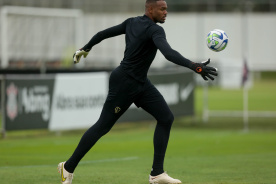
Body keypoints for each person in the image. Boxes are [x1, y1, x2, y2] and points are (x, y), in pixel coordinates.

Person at [58, 0, 218, 183]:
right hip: (124, 83)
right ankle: (67, 167)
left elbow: (102, 34)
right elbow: (168, 53)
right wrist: (194, 66)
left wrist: (85, 48)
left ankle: (157, 173)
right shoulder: (155, 30)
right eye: (162, 9)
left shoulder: (131, 22)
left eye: (166, 8)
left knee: (166, 118)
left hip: (140, 83)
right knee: (103, 126)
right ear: (150, 9)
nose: (166, 12)